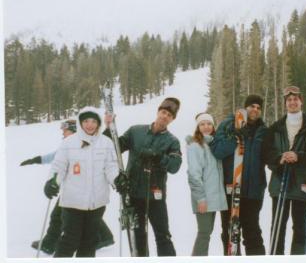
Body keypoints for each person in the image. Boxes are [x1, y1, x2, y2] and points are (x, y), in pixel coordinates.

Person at [20, 120, 114, 255]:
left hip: (80, 190)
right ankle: (104, 238)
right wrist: (36, 159)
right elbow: (55, 156)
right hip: (75, 191)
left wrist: (110, 127)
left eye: (65, 130)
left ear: (75, 131)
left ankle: (49, 243)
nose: (62, 133)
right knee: (83, 215)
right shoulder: (69, 145)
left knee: (60, 215)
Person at [104, 97, 182, 256]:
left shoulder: (172, 141)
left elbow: (175, 166)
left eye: (169, 115)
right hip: (133, 194)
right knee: (138, 237)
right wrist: (108, 127)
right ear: (158, 112)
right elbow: (114, 147)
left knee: (163, 236)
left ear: (172, 119)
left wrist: (159, 157)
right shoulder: (136, 131)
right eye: (163, 112)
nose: (165, 116)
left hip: (155, 196)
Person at [44, 107, 119, 257]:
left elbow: (111, 167)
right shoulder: (69, 143)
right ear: (80, 122)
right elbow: (59, 166)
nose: (90, 125)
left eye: (93, 121)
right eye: (86, 121)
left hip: (96, 203)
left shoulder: (106, 143)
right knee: (69, 241)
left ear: (98, 123)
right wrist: (52, 182)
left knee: (89, 243)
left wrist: (117, 179)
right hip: (72, 203)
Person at [262, 86, 306, 255]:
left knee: (300, 228)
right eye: (289, 100)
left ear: (301, 101)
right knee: (278, 226)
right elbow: (266, 153)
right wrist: (279, 158)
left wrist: (298, 156)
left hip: (303, 182)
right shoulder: (275, 128)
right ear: (285, 104)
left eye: (296, 99)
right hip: (280, 182)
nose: (292, 102)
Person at [209, 94, 267, 256]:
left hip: (253, 191)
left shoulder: (263, 130)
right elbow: (218, 151)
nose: (255, 110)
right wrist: (234, 138)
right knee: (230, 233)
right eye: (252, 106)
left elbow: (269, 155)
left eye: (258, 107)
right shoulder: (228, 124)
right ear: (245, 107)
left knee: (253, 233)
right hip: (231, 188)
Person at [186, 113, 228, 256]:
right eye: (202, 124)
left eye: (209, 124)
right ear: (198, 127)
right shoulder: (195, 146)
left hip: (213, 197)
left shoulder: (213, 144)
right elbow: (193, 175)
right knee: (204, 233)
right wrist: (201, 199)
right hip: (203, 198)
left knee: (207, 232)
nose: (206, 127)